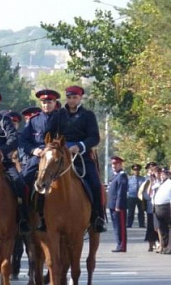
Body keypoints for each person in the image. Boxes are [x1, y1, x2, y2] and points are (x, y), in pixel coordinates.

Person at [45, 85, 107, 233]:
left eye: (75, 97)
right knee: (42, 179)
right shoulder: (58, 114)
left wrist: (80, 146)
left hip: (82, 157)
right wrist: (56, 147)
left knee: (95, 184)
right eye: (69, 97)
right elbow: (48, 133)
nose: (72, 100)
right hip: (60, 156)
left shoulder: (88, 115)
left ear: (80, 98)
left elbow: (94, 137)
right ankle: (42, 217)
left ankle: (98, 217)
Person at [0, 88, 29, 234]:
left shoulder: (4, 120)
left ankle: (23, 219)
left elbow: (13, 139)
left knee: (19, 184)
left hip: (3, 162)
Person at [20, 89, 61, 231]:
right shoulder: (34, 120)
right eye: (44, 102)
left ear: (55, 103)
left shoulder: (62, 118)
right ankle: (24, 216)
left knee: (88, 179)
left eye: (49, 102)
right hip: (38, 158)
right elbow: (23, 140)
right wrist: (33, 150)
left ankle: (95, 216)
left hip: (58, 157)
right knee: (22, 181)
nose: (46, 105)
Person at [107, 156, 128, 252]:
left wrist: (118, 205)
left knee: (120, 227)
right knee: (116, 226)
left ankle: (122, 245)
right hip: (112, 205)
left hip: (118, 206)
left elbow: (121, 192)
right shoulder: (115, 176)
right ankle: (119, 244)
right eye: (112, 164)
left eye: (115, 164)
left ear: (120, 164)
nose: (113, 166)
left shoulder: (122, 175)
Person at [152, 167, 171, 254]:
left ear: (168, 174)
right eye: (162, 174)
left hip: (167, 207)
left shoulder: (169, 183)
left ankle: (169, 247)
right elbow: (152, 188)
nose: (162, 176)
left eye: (164, 174)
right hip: (158, 208)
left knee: (168, 228)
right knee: (162, 228)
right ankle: (164, 246)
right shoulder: (161, 184)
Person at [127, 163, 145, 228]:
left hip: (140, 197)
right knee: (130, 211)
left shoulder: (143, 179)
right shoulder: (129, 179)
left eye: (137, 170)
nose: (136, 171)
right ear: (133, 170)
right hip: (132, 196)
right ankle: (129, 224)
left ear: (139, 170)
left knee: (141, 211)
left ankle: (141, 224)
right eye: (135, 170)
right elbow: (127, 188)